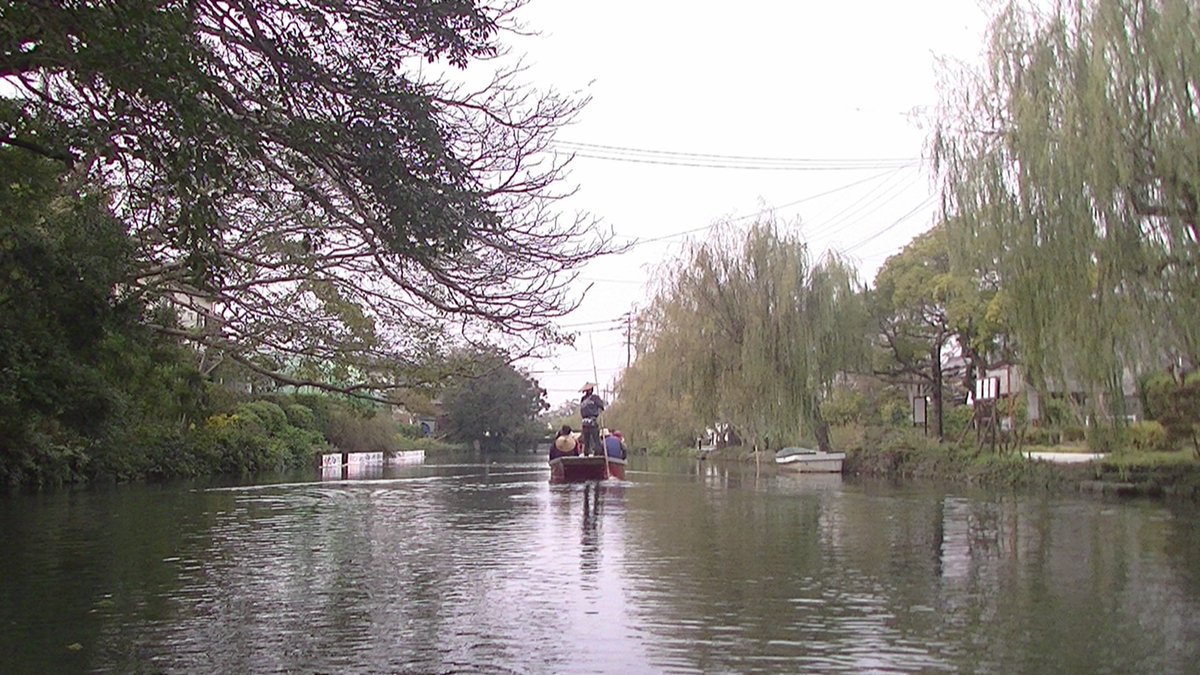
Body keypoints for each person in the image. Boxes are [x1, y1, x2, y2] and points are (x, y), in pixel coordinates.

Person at [578, 382, 606, 456]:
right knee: (594, 439)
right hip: (591, 421)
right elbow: (601, 406)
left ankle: (588, 453)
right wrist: (600, 407)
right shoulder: (594, 398)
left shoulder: (583, 399)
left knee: (588, 440)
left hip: (585, 422)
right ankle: (596, 453)